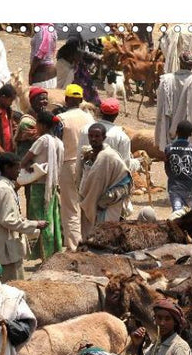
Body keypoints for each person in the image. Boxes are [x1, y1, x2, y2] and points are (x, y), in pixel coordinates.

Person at [0, 153, 48, 280]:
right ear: (7, 168)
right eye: (16, 168)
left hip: (3, 246)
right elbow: (7, 220)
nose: (19, 172)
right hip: (6, 250)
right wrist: (35, 224)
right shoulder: (4, 189)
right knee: (12, 285)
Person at [19, 111, 64, 259]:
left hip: (39, 186)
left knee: (41, 220)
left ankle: (45, 254)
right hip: (52, 185)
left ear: (43, 125)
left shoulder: (43, 140)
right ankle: (53, 253)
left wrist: (28, 167)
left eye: (37, 124)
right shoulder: (58, 142)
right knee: (52, 218)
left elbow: (24, 161)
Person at [56, 84, 95, 250]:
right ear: (80, 100)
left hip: (68, 163)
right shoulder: (90, 119)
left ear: (66, 99)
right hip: (88, 164)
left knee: (70, 208)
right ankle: (87, 242)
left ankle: (74, 247)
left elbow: (57, 143)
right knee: (86, 206)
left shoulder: (61, 119)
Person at [78, 123, 131, 239]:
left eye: (97, 136)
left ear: (104, 137)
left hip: (106, 206)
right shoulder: (88, 156)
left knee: (105, 237)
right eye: (91, 136)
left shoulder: (109, 156)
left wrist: (106, 199)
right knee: (88, 237)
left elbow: (126, 180)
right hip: (89, 203)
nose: (93, 139)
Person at [155, 50, 192, 152]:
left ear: (179, 62)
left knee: (171, 158)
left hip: (169, 134)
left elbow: (160, 107)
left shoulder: (166, 81)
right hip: (190, 136)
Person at [164, 120, 192, 213]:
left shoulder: (168, 148)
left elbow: (167, 168)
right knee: (188, 215)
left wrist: (173, 176)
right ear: (190, 134)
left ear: (176, 132)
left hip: (174, 186)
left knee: (177, 213)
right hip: (190, 186)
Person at [15, 87, 51, 162]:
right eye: (42, 99)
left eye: (46, 99)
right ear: (32, 101)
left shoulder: (42, 117)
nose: (45, 101)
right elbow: (39, 138)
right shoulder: (26, 121)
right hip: (26, 159)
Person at [29, 24, 57, 89]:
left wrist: (31, 73)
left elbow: (40, 54)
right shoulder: (52, 30)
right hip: (50, 72)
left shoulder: (42, 30)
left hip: (42, 73)